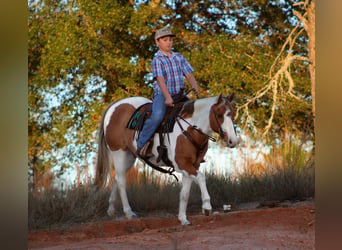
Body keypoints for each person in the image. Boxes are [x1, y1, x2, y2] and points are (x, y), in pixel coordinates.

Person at [136, 26, 200, 158]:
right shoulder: (157, 60)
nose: (169, 42)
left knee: (195, 113)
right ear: (157, 42)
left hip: (179, 94)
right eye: (165, 40)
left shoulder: (179, 57)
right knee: (158, 115)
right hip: (163, 94)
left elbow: (188, 74)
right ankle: (142, 144)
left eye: (170, 40)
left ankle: (196, 148)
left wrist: (194, 86)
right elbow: (160, 80)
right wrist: (167, 97)